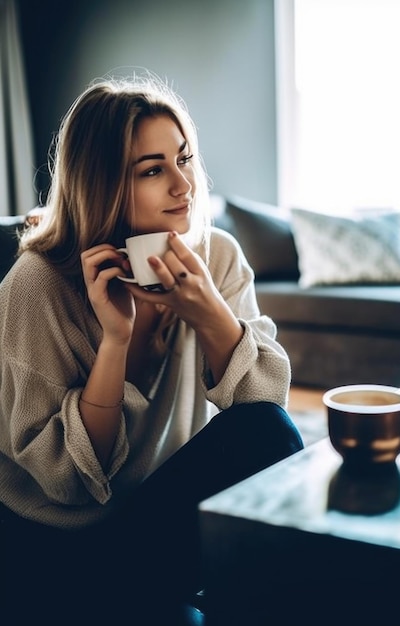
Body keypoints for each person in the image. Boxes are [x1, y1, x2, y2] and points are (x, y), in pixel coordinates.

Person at [0, 73, 303, 624]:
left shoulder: (216, 258)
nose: (183, 185)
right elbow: (66, 485)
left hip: (151, 507)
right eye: (153, 170)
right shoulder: (36, 284)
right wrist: (117, 341)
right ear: (105, 182)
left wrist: (209, 309)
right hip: (57, 540)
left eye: (184, 159)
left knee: (270, 431)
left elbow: (268, 404)